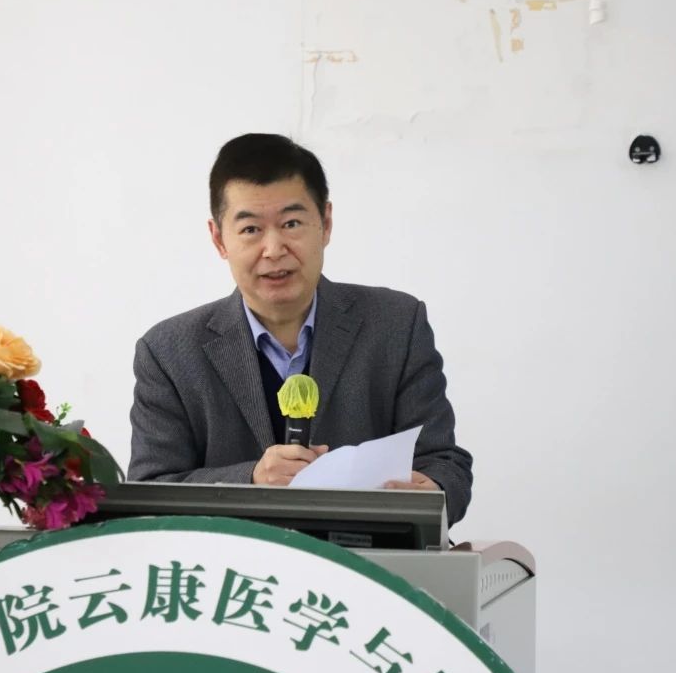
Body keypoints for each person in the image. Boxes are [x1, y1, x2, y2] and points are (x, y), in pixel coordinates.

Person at [128, 133, 472, 524]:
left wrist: (433, 490)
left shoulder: (396, 324)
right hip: (234, 561)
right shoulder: (168, 352)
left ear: (325, 224)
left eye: (291, 223)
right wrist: (251, 479)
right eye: (251, 229)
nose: (274, 249)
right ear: (219, 239)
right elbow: (150, 491)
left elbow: (445, 462)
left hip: (366, 557)